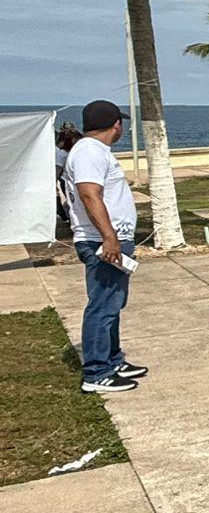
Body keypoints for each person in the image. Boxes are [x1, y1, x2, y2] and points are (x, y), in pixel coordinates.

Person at [61, 101, 145, 394]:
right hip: (101, 241)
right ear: (115, 125)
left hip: (111, 240)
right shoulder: (88, 152)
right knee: (103, 306)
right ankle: (96, 372)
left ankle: (113, 359)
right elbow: (89, 194)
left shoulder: (94, 151)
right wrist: (109, 237)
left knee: (113, 303)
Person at [54, 121, 82, 226]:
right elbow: (57, 171)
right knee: (73, 203)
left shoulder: (73, 152)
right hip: (66, 181)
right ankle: (72, 221)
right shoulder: (62, 154)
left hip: (75, 180)